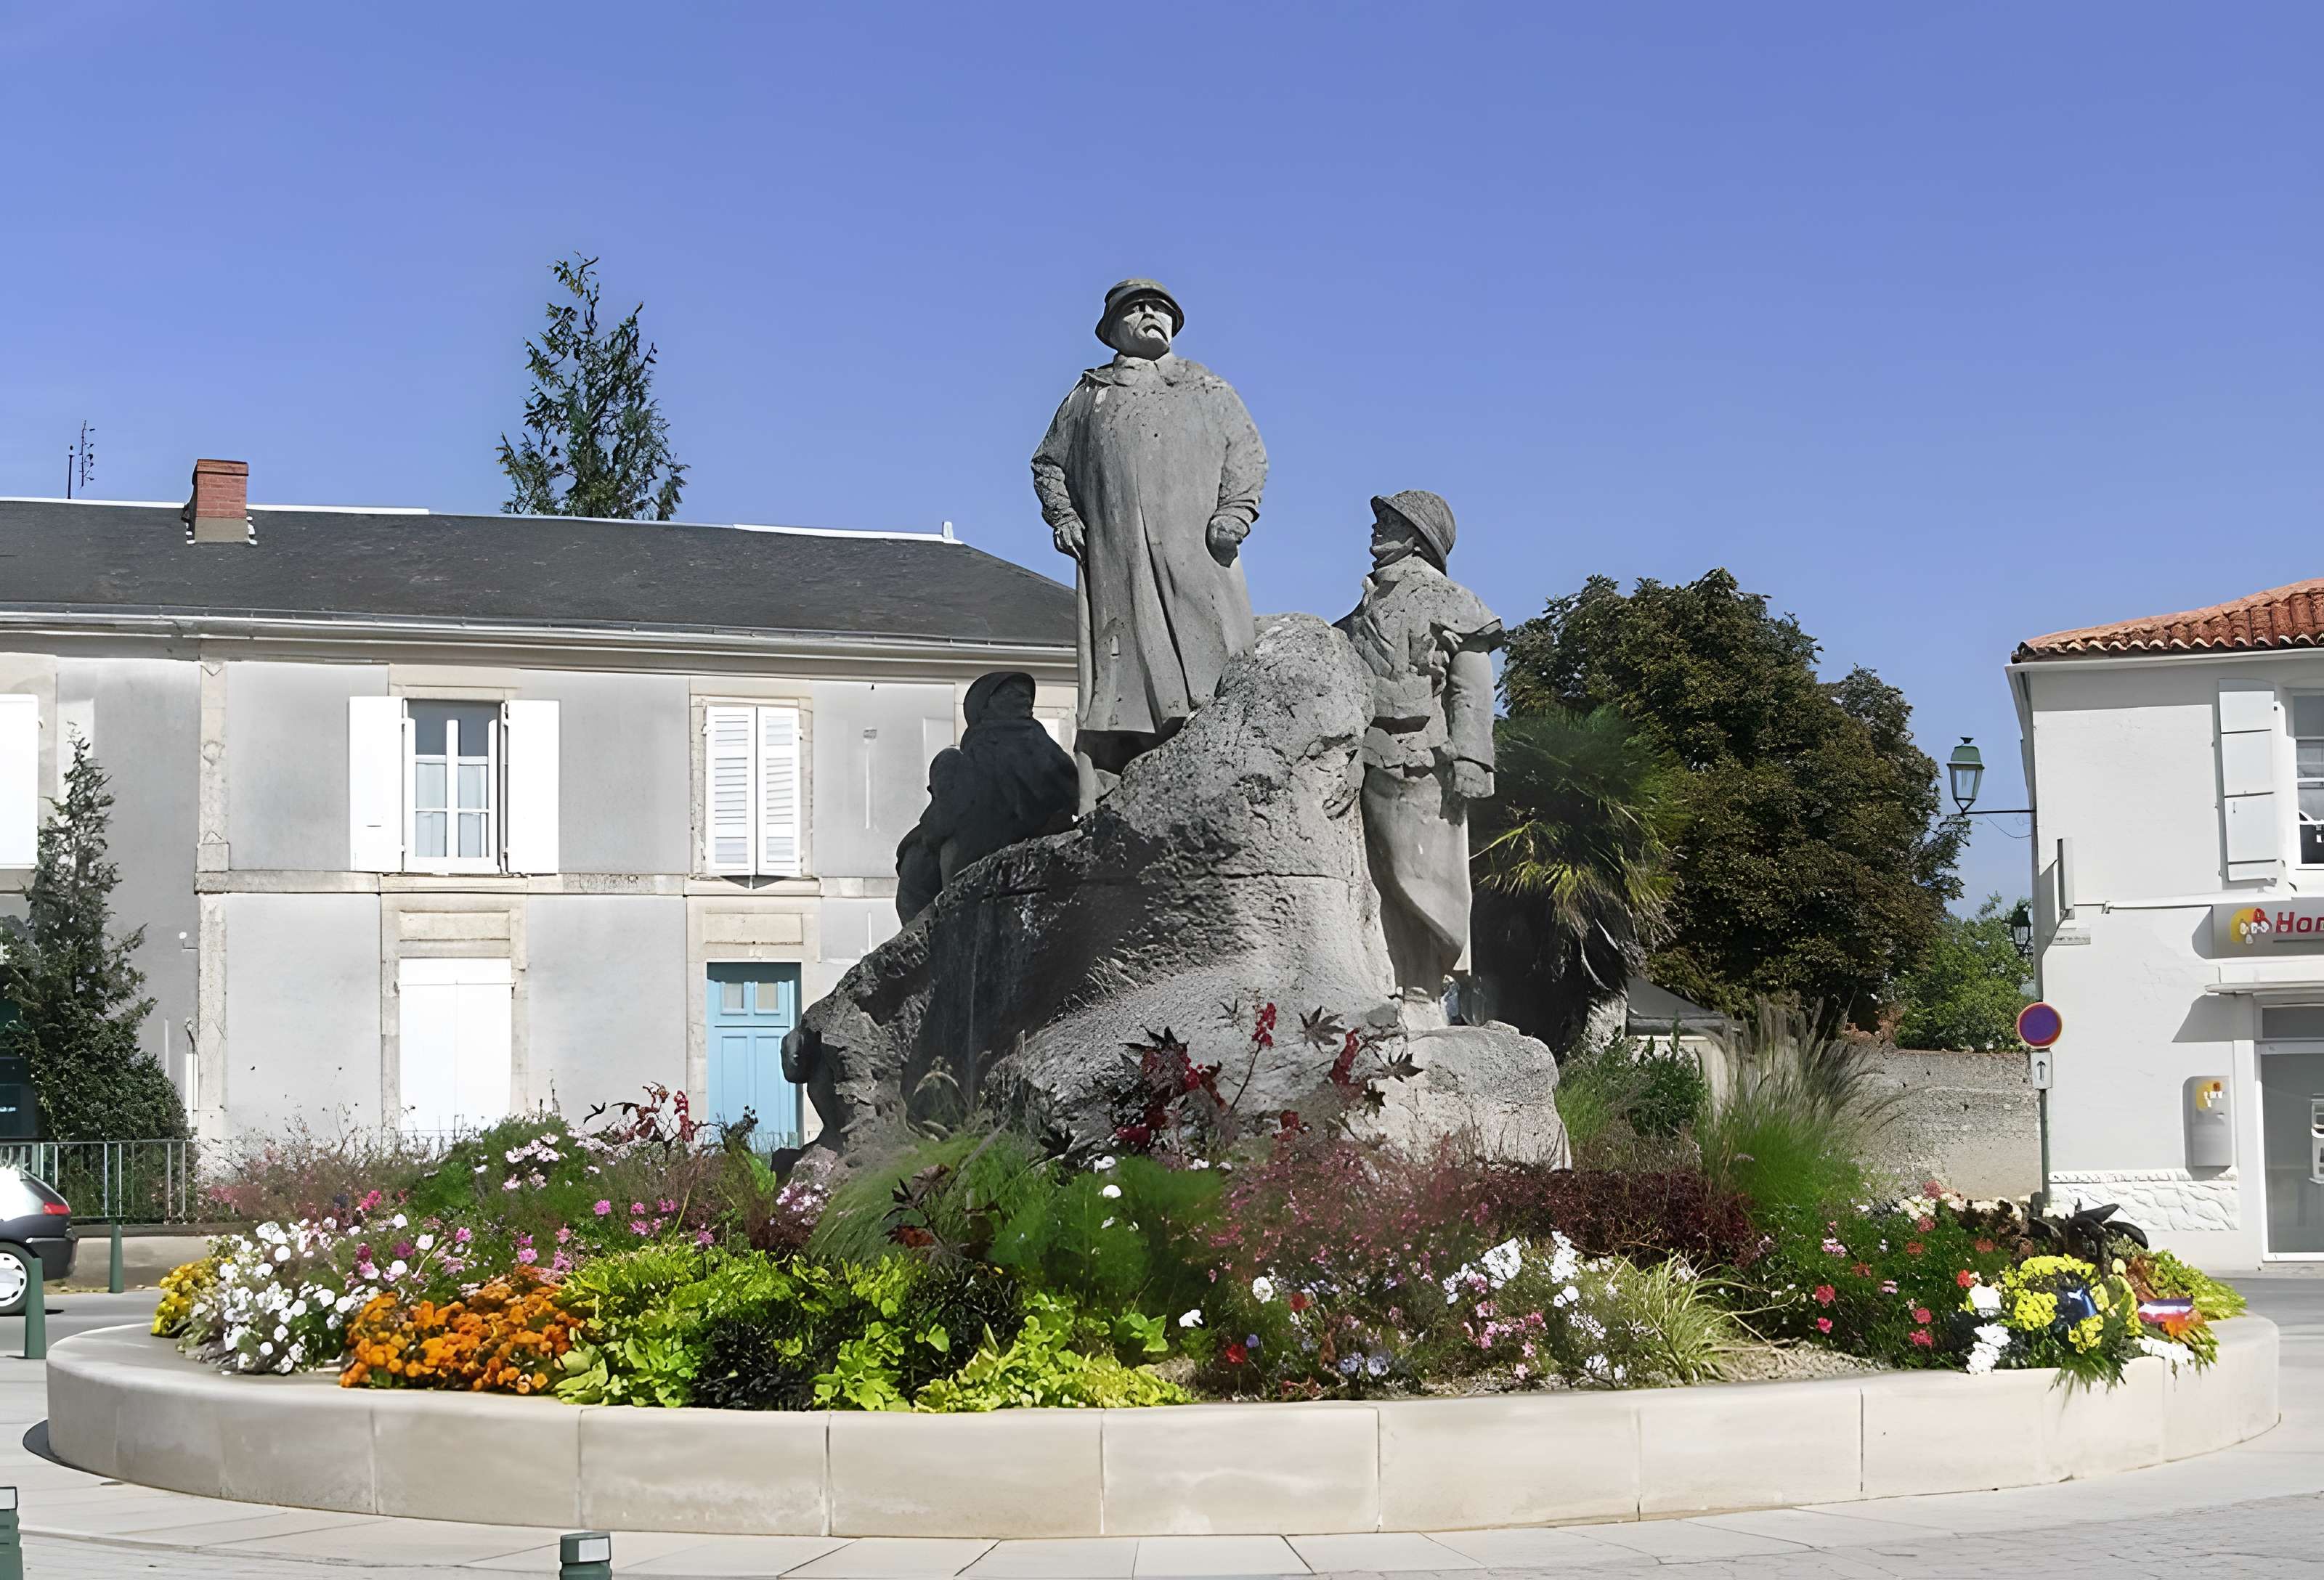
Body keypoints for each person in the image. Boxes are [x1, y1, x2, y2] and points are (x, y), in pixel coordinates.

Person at [1031, 279, 1267, 807]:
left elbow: (1248, 454)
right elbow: (1048, 463)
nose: (1150, 314)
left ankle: (1220, 752)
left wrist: (1236, 510)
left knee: (1213, 660)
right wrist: (1063, 515)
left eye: (1160, 308)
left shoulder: (1206, 387)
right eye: (1136, 308)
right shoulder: (1088, 396)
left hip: (1195, 553)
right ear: (1112, 328)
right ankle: (1122, 776)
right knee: (1124, 677)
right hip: (1117, 556)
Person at [1336, 490, 1502, 1022]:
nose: (1376, 527)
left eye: (1388, 521)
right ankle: (1385, 984)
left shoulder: (1449, 599)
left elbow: (1471, 685)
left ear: (1416, 537)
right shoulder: (1368, 602)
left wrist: (1473, 759)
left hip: (1422, 761)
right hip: (1366, 759)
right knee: (1377, 880)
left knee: (1424, 881)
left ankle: (1423, 993)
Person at [893, 671, 1078, 923]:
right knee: (918, 862)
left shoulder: (1037, 741)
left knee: (951, 856)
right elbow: (955, 801)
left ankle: (952, 925)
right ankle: (926, 932)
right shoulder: (969, 752)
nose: (1024, 699)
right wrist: (935, 827)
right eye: (1012, 693)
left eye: (1026, 695)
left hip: (1012, 831)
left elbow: (1068, 788)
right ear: (985, 704)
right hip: (971, 825)